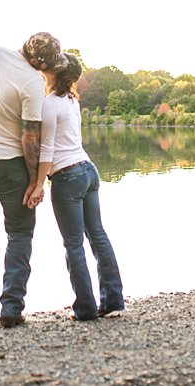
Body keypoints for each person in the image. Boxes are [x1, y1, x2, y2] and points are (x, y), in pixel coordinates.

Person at [0, 32, 68, 328]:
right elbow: (30, 136)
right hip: (9, 165)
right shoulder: (32, 81)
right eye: (47, 65)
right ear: (38, 61)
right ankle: (11, 308)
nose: (47, 71)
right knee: (19, 233)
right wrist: (35, 181)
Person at [24, 53, 124, 321]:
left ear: (56, 72)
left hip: (68, 176)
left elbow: (47, 150)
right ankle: (112, 300)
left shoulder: (49, 104)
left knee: (73, 244)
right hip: (89, 170)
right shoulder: (71, 101)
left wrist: (38, 186)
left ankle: (86, 309)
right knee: (98, 235)